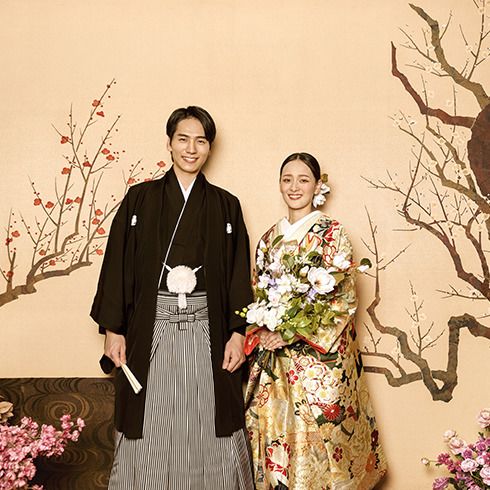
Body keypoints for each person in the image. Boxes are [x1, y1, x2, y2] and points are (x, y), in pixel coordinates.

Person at [90, 106, 254, 489]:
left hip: (208, 330)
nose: (191, 149)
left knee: (210, 417)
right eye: (183, 139)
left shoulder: (226, 205)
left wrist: (237, 333)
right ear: (169, 143)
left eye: (200, 141)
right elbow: (117, 265)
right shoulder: (139, 199)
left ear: (209, 148)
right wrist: (113, 329)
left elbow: (237, 274)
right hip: (152, 327)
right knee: (150, 418)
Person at [244, 152, 387, 489]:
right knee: (275, 438)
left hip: (318, 363)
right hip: (276, 359)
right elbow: (258, 292)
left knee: (324, 446)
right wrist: (264, 328)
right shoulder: (268, 238)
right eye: (287, 179)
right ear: (280, 184)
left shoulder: (332, 233)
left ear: (317, 186)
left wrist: (291, 333)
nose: (294, 187)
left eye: (303, 180)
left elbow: (342, 298)